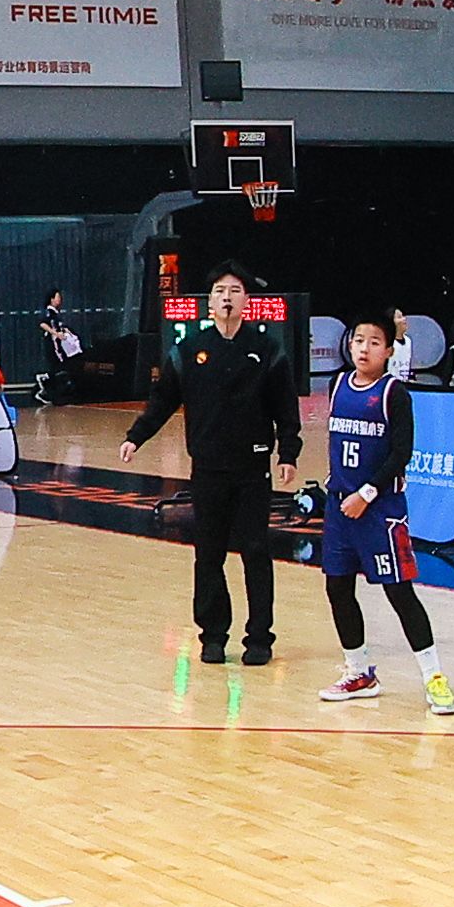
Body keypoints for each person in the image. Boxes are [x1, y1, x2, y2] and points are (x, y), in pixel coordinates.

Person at [125, 270, 297, 666]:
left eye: (235, 291)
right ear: (210, 302)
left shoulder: (267, 349)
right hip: (208, 469)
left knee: (255, 551)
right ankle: (213, 636)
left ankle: (259, 638)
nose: (227, 298)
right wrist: (136, 436)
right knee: (208, 555)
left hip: (253, 469)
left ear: (246, 301)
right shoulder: (188, 350)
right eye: (220, 291)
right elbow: (162, 401)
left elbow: (285, 407)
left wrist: (288, 452)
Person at [306, 315, 454, 715]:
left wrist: (367, 493)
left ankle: (434, 677)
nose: (364, 348)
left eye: (374, 342)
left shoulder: (393, 393)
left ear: (389, 351)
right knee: (337, 588)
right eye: (359, 340)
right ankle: (359, 672)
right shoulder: (338, 385)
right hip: (341, 508)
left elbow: (401, 453)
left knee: (399, 593)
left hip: (380, 510)